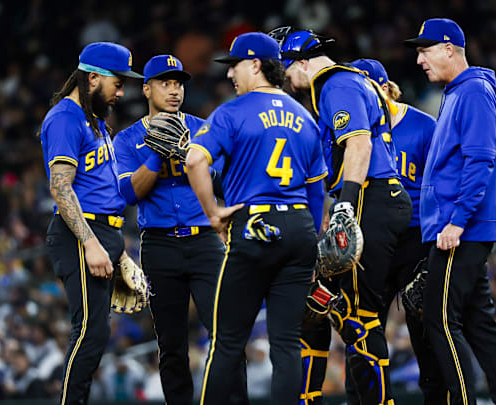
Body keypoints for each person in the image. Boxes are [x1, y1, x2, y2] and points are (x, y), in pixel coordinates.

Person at [184, 32, 327, 405]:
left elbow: (194, 161)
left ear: (255, 65)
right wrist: (311, 246)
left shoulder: (233, 111)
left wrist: (213, 213)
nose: (230, 72)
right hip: (299, 229)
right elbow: (316, 192)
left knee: (228, 341)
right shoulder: (305, 117)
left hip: (254, 226)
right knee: (286, 345)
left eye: (234, 64)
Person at [272, 27, 412, 405]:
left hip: (370, 196)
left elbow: (358, 144)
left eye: (286, 71)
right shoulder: (350, 81)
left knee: (358, 313)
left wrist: (347, 204)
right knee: (318, 303)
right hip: (381, 199)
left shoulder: (336, 84)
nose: (287, 82)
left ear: (300, 62)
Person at [112, 54, 247, 405]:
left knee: (226, 335)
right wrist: (157, 155)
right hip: (159, 246)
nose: (174, 91)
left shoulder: (204, 127)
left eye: (179, 83)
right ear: (146, 88)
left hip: (205, 242)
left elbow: (225, 182)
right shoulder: (128, 139)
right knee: (171, 345)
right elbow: (129, 193)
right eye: (165, 83)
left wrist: (193, 158)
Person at [404, 18, 496, 405]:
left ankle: (463, 400)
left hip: (460, 229)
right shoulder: (458, 91)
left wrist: (456, 220)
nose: (420, 59)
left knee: (438, 318)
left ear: (449, 48)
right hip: (458, 226)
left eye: (425, 49)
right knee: (479, 324)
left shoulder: (472, 92)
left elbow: (480, 161)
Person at [38, 41, 143, 405]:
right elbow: (60, 187)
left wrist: (118, 250)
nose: (122, 91)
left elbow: (104, 188)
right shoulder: (66, 117)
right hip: (80, 233)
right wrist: (91, 243)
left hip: (105, 231)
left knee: (97, 333)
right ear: (93, 78)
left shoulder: (94, 120)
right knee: (89, 332)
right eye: (118, 81)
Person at [350, 58, 447, 404]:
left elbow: (444, 182)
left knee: (425, 333)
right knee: (359, 332)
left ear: (386, 88)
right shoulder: (350, 132)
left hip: (415, 239)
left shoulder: (423, 125)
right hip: (369, 239)